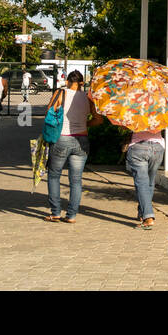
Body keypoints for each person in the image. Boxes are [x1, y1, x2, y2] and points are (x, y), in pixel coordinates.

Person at [45, 70, 101, 223]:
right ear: (81, 82)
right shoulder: (88, 98)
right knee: (76, 180)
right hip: (82, 141)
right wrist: (85, 124)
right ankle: (71, 215)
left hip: (62, 139)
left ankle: (56, 212)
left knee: (54, 175)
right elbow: (98, 120)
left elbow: (49, 113)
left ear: (68, 81)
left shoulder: (61, 93)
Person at [123, 128, 165, 230]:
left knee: (142, 183)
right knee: (149, 182)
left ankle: (148, 217)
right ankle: (142, 212)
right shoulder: (160, 112)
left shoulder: (134, 111)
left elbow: (126, 126)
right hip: (157, 149)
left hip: (138, 148)